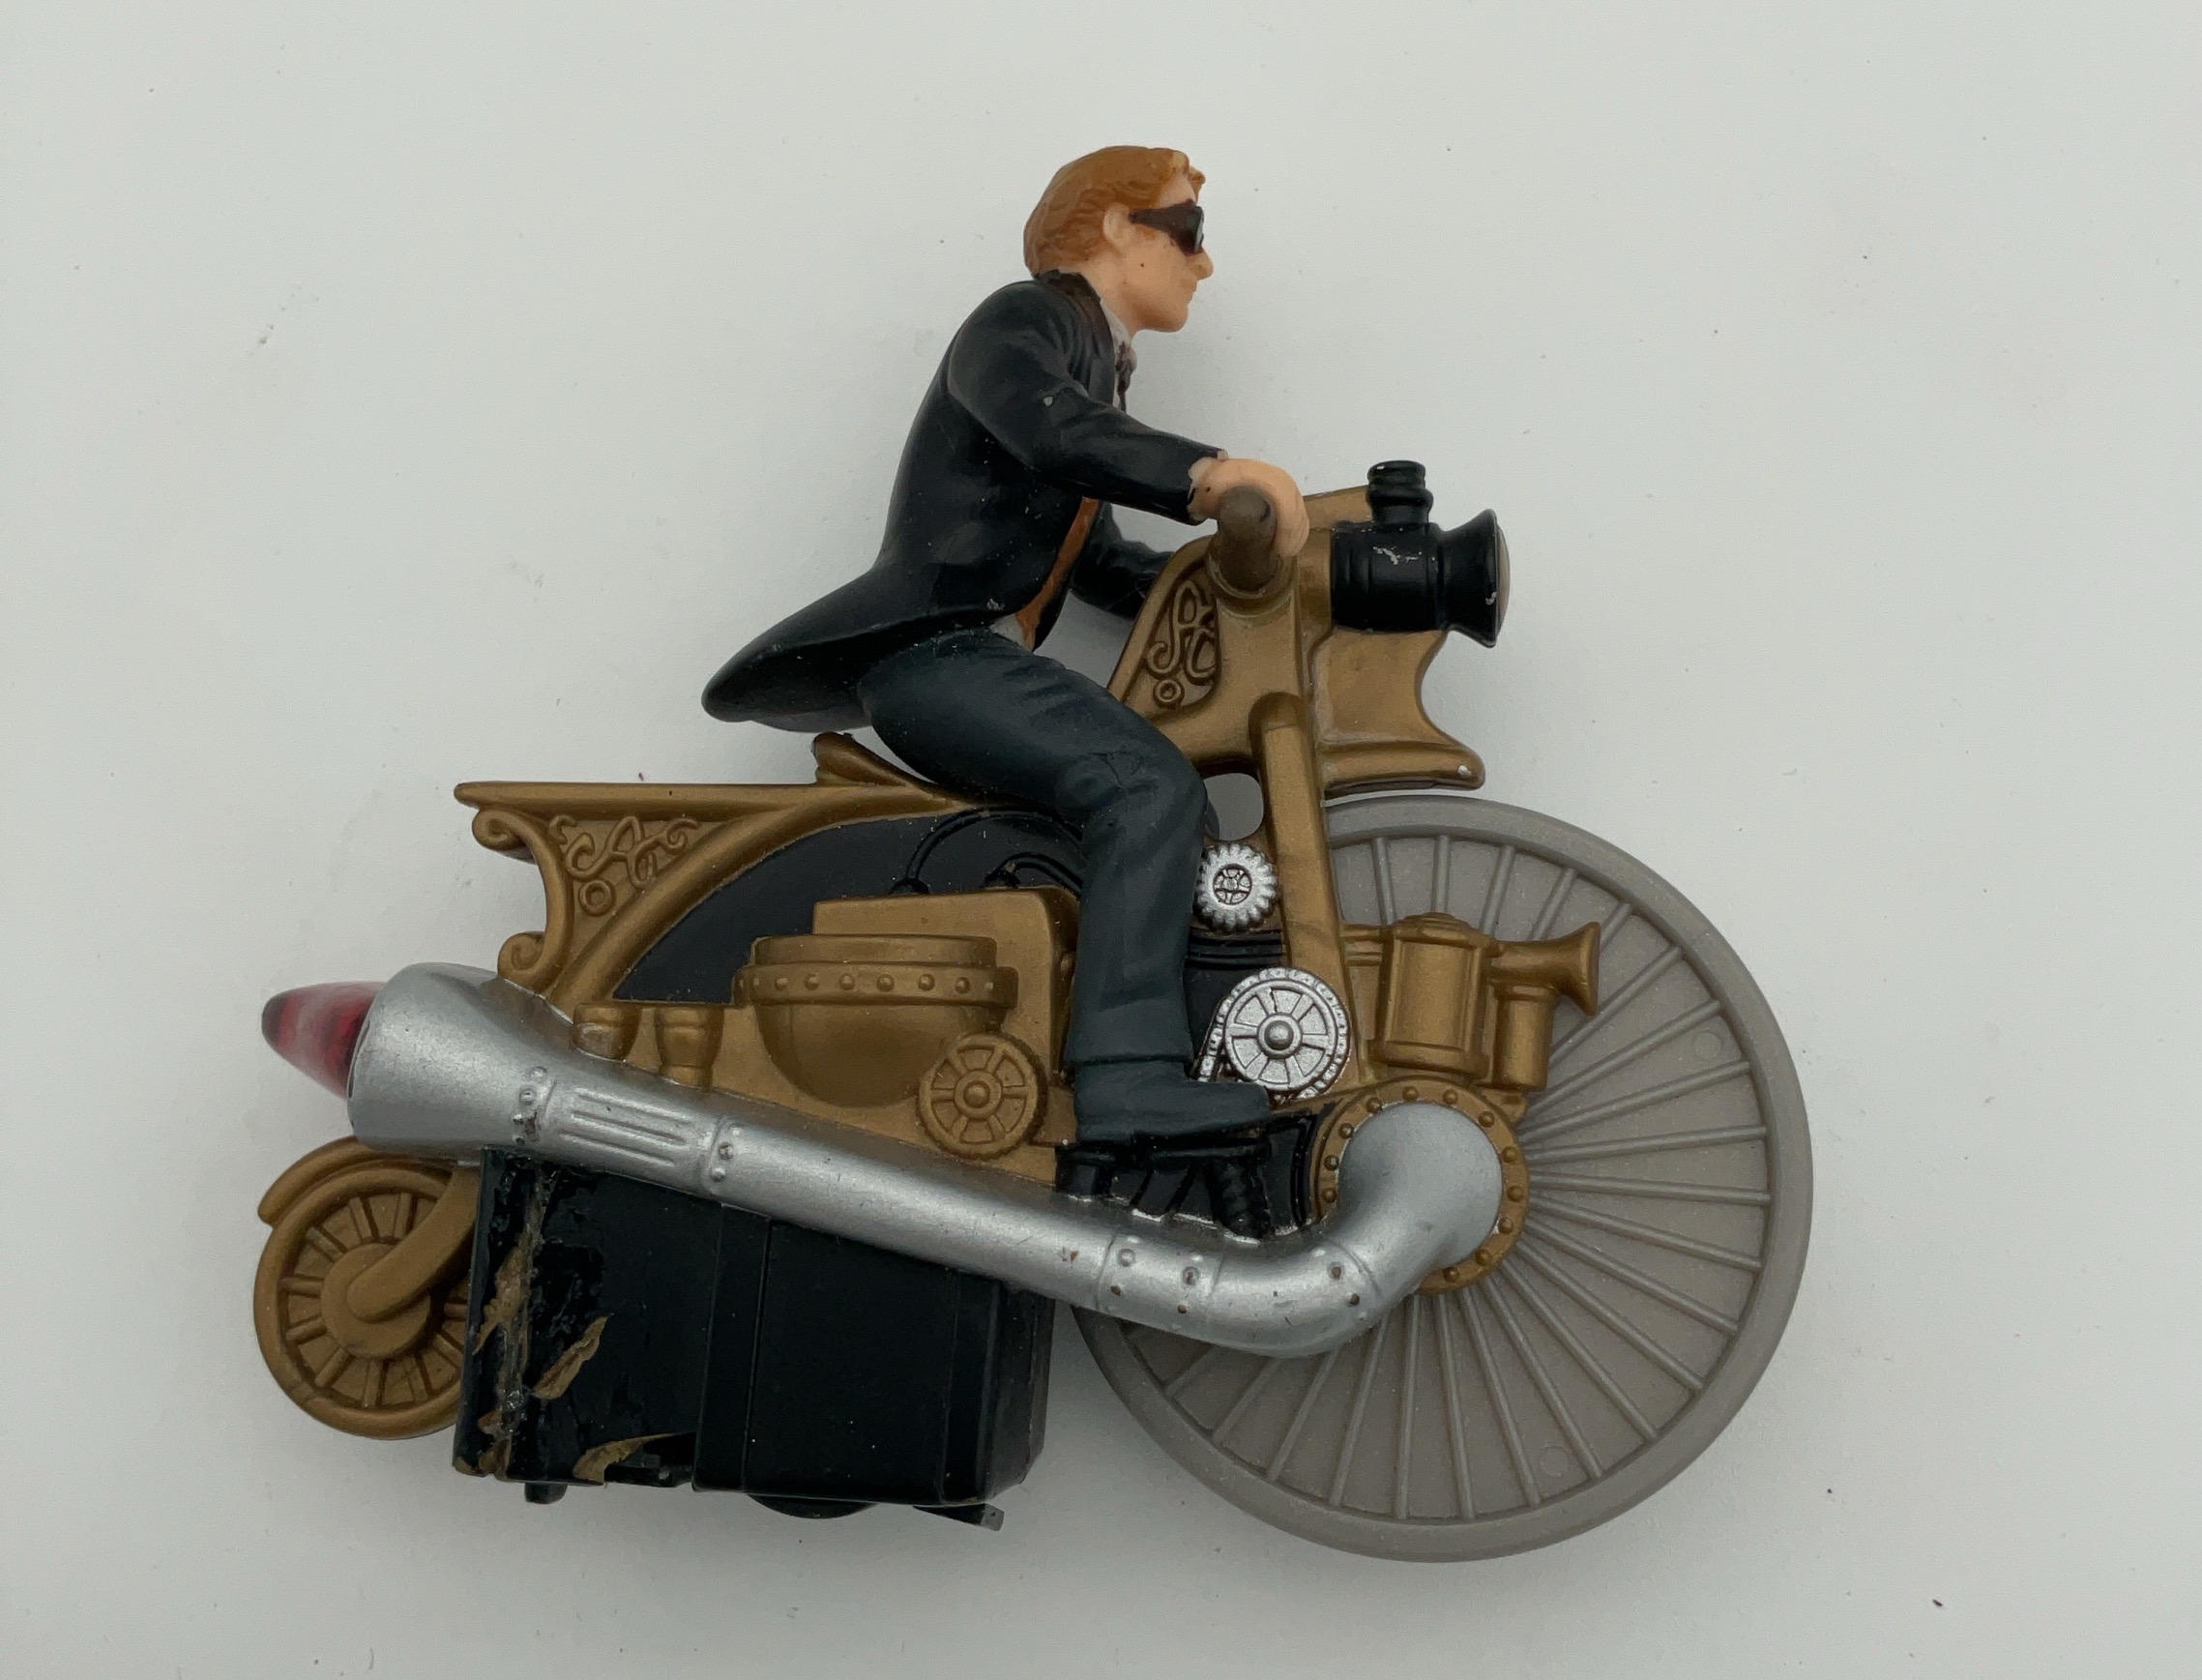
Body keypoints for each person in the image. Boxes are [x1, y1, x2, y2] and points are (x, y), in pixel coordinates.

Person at [702, 146, 1308, 1143]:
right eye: (1188, 233)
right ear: (1114, 227)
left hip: (971, 659)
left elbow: (1099, 561)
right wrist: (1208, 475)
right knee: (1145, 789)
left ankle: (1135, 1034)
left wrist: (1241, 584)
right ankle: (1126, 1079)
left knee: (1174, 801)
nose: (1202, 263)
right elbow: (1049, 428)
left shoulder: (1095, 364)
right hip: (934, 656)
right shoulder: (1024, 322)